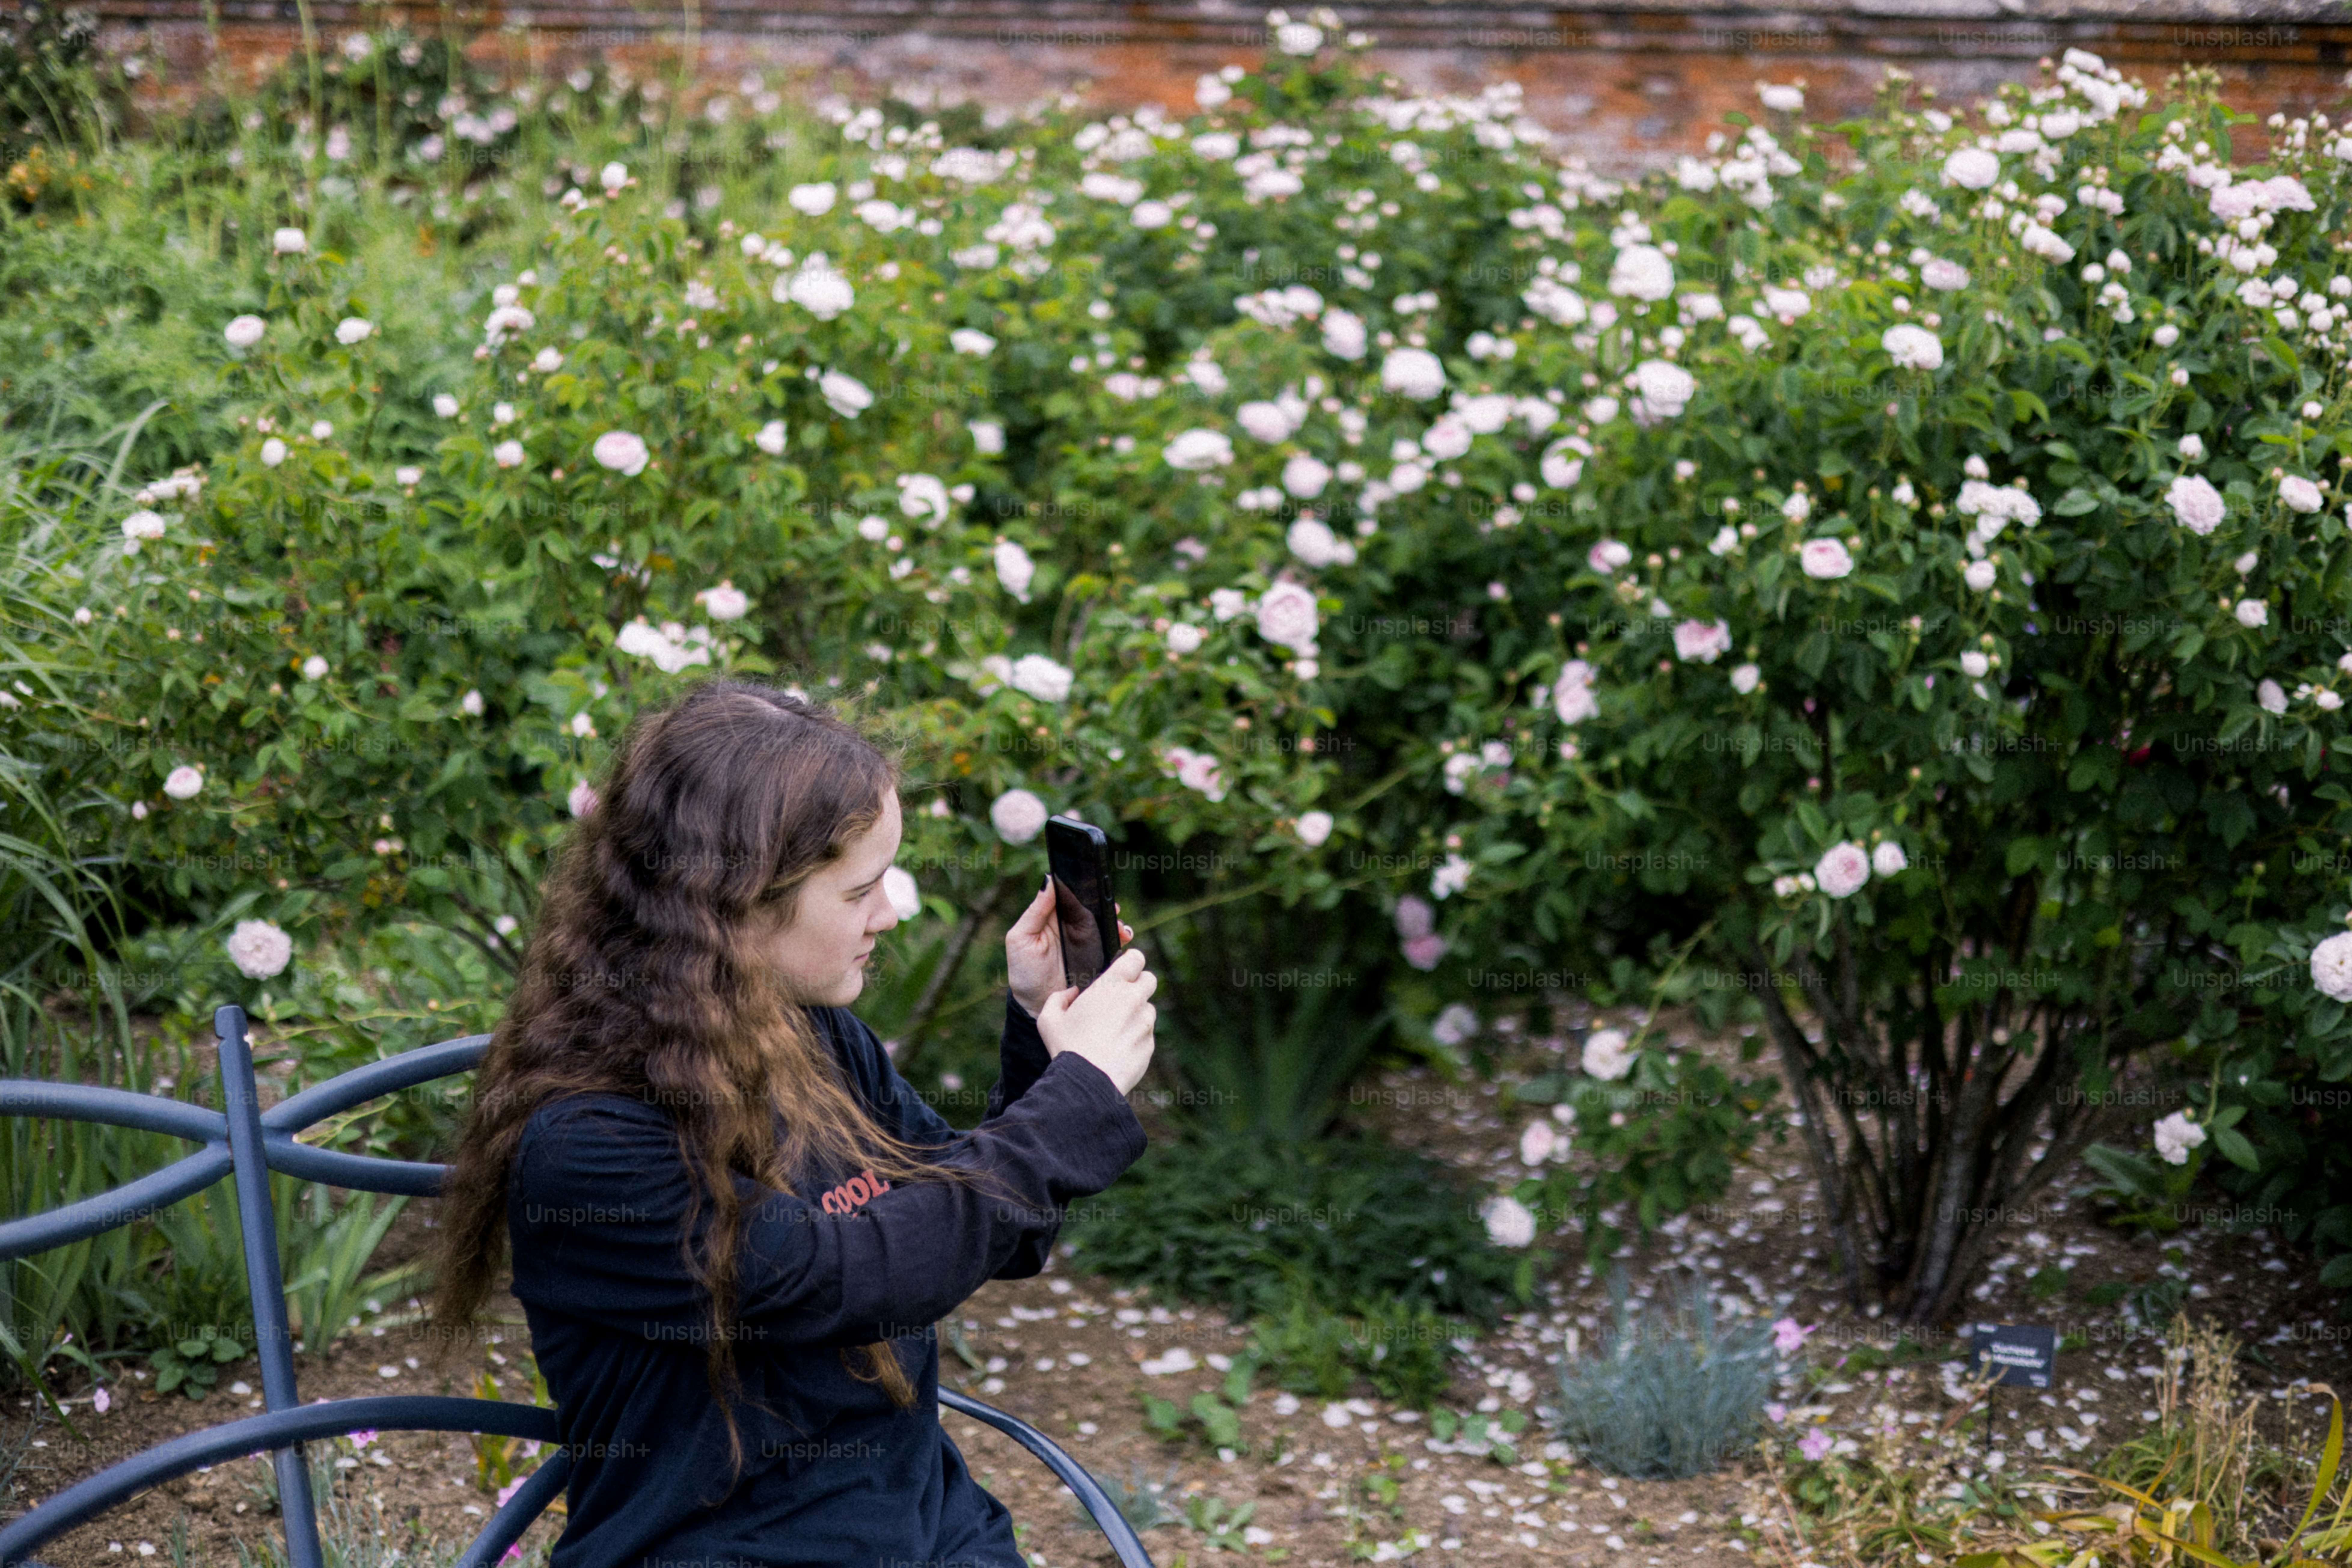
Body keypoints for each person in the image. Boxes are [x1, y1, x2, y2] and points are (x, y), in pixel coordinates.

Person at [427, 678, 1158, 1568]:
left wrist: (1042, 1026)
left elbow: (994, 1234)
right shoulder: (587, 1145)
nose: (889, 912)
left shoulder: (813, 1037)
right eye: (860, 890)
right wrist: (1074, 1097)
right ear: (734, 902)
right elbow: (846, 1280)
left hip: (933, 1535)